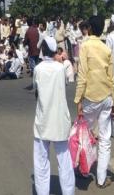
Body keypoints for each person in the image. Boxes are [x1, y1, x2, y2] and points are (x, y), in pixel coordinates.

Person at [74, 15, 114, 188]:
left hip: (90, 98)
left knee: (85, 135)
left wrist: (78, 100)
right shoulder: (106, 49)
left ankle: (83, 171)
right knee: (105, 139)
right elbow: (112, 79)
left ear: (89, 28)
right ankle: (101, 178)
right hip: (106, 97)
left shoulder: (85, 46)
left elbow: (82, 75)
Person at [33, 36, 75, 195]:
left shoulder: (38, 69)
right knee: (64, 160)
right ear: (54, 51)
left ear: (43, 50)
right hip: (60, 120)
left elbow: (37, 92)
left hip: (43, 120)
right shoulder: (60, 68)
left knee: (41, 161)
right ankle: (68, 192)